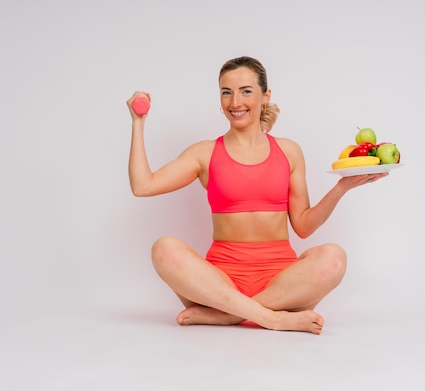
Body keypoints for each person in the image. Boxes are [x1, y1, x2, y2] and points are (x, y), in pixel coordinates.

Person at [126, 56, 388, 335]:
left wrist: (341, 188)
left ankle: (228, 316)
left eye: (246, 91)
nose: (235, 102)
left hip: (280, 285)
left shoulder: (289, 151)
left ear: (265, 96)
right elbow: (143, 186)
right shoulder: (204, 153)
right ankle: (271, 318)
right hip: (219, 283)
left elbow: (303, 226)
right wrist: (138, 123)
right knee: (164, 249)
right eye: (227, 92)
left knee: (334, 257)